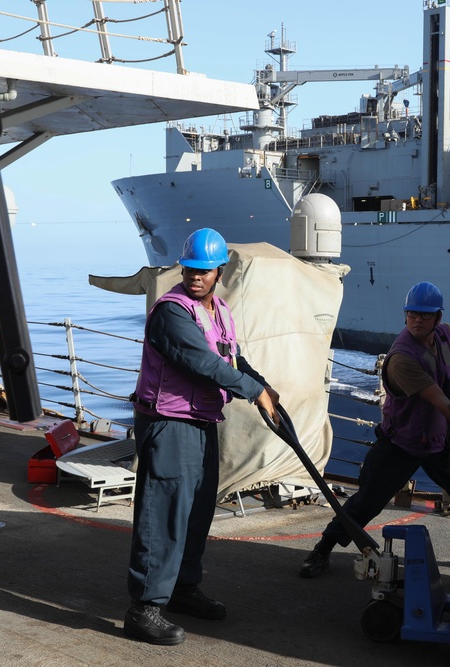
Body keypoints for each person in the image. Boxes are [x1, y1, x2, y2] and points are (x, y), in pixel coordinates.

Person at [124, 228, 281, 646]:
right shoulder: (172, 312)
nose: (195, 277)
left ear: (219, 272)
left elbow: (231, 358)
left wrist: (263, 384)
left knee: (195, 512)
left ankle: (182, 589)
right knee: (164, 514)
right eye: (190, 269)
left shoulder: (220, 311)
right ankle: (144, 608)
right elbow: (201, 363)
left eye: (204, 271)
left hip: (201, 422)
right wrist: (256, 393)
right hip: (168, 424)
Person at [299, 281, 450, 578]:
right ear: (404, 315)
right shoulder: (402, 358)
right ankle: (323, 547)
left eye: (425, 315)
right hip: (404, 442)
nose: (417, 320)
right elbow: (440, 403)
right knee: (367, 500)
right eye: (412, 314)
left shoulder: (446, 334)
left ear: (438, 318)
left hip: (447, 441)